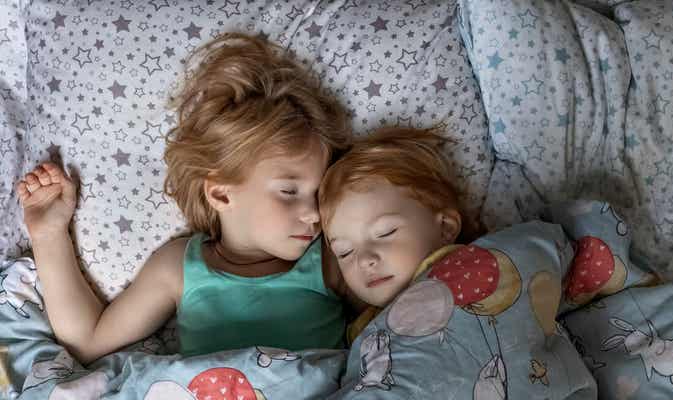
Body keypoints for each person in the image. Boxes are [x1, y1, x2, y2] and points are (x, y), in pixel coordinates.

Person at [15, 32, 354, 364]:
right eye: (289, 191)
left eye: (319, 193)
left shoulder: (332, 260)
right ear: (221, 193)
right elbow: (87, 341)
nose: (314, 213)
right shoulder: (179, 267)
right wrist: (49, 235)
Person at [318, 126, 476, 342]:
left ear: (445, 227)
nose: (364, 260)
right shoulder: (362, 334)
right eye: (344, 252)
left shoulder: (483, 270)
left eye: (386, 233)